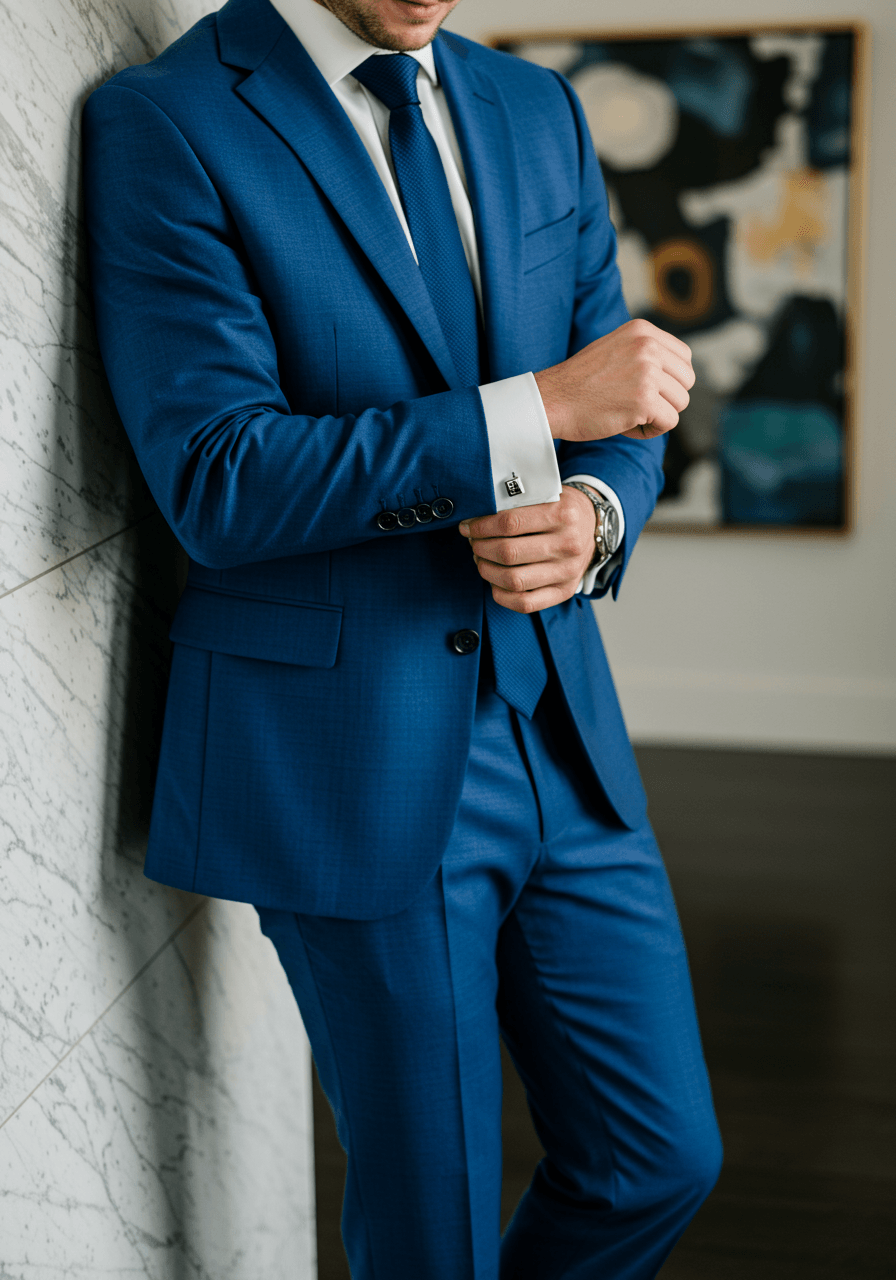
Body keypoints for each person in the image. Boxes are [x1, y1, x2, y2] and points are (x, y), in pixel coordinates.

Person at [84, 0, 722, 1275]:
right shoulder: (169, 120)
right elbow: (216, 476)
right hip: (351, 744)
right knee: (430, 1224)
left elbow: (614, 413)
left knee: (659, 1158)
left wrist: (594, 515)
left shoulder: (535, 110)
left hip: (561, 729)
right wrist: (532, 408)